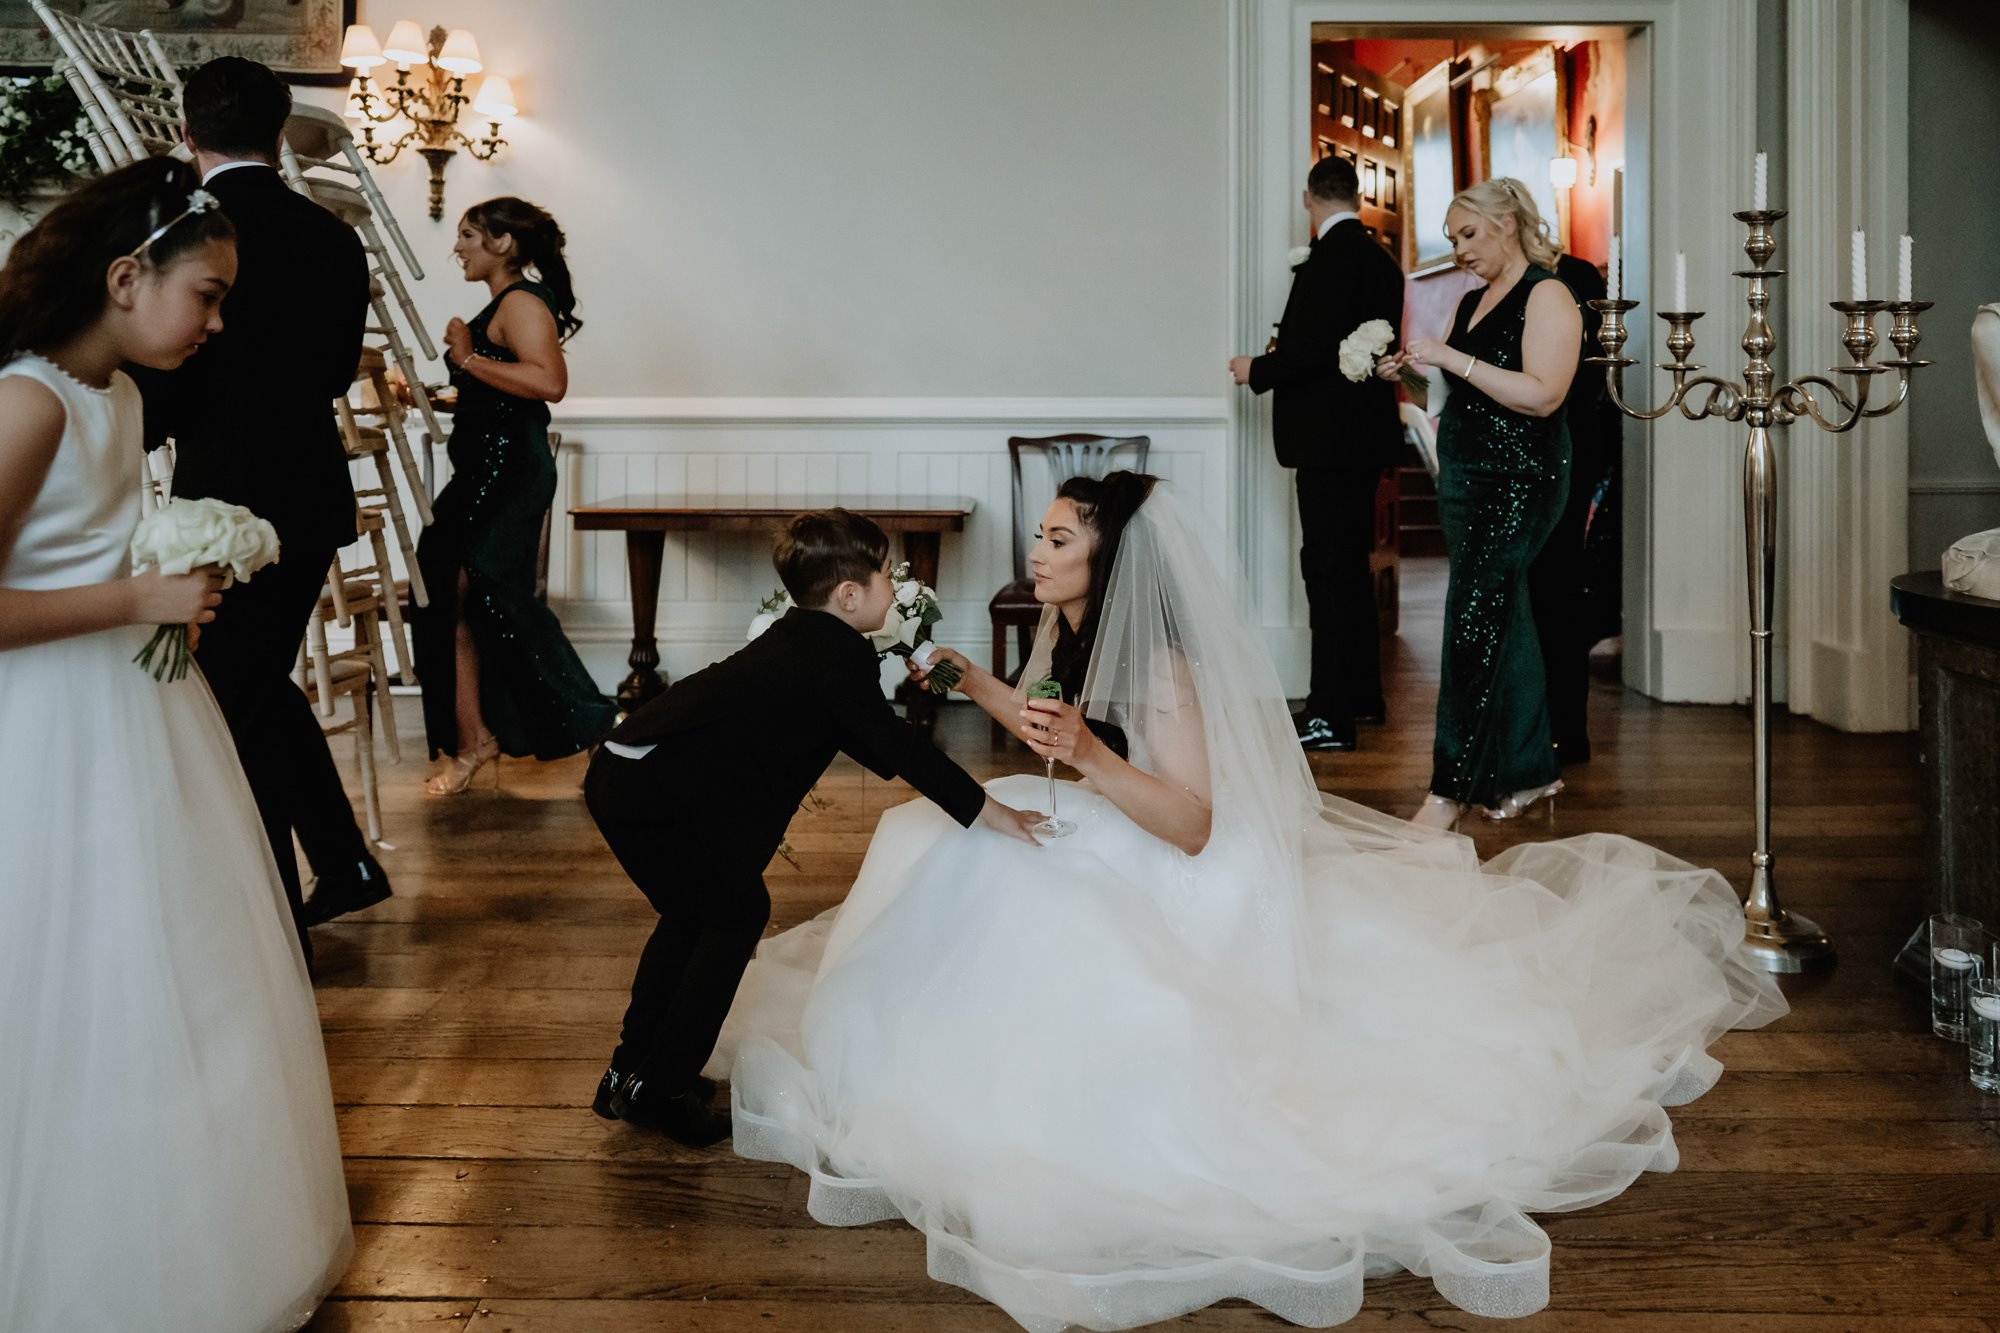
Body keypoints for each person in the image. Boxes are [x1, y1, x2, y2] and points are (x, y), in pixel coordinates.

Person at [710, 471, 1786, 1330]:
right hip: (1115, 819)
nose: (1033, 553)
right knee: (935, 838)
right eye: (1038, 536)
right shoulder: (1075, 630)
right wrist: (974, 684)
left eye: (1055, 540)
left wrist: (1082, 750)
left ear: (1108, 561)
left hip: (1188, 870)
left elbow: (1188, 823)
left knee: (996, 872)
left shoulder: (1165, 665)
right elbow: (1052, 729)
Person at [0, 159, 351, 1331]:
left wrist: (164, 580)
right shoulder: (29, 401)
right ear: (123, 275)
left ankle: (162, 1226)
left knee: (165, 969)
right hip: (48, 730)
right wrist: (131, 604)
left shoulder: (121, 399)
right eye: (205, 294)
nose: (216, 321)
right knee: (67, 969)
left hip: (137, 719)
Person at [583, 509, 1042, 1144]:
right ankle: (659, 1087)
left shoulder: (803, 636)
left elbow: (860, 736)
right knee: (733, 912)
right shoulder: (837, 661)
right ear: (850, 596)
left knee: (699, 914)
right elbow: (900, 751)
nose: (891, 585)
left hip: (626, 772)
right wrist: (988, 811)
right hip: (653, 791)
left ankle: (631, 1073)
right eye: (885, 575)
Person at [130, 56, 388, 942]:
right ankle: (334, 861)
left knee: (230, 689)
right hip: (310, 490)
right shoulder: (334, 236)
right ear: (280, 135)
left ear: (188, 134)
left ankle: (279, 902)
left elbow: (166, 378)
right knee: (247, 682)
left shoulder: (183, 234)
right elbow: (327, 373)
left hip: (218, 494)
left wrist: (133, 424)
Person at [1381, 178, 1582, 827]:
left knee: (1470, 617)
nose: (1459, 250)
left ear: (1507, 224)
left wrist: (1450, 359)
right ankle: (1529, 773)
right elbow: (1449, 394)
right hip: (1464, 475)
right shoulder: (1470, 303)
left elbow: (1543, 393)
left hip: (1521, 476)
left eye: (1467, 234)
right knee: (1504, 609)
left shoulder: (1548, 294)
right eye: (1452, 238)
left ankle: (1449, 787)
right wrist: (1409, 373)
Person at [414, 197, 617, 793]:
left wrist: (468, 358)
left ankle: (601, 725)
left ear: (503, 244)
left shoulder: (521, 302)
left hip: (507, 475)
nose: (459, 247)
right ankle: (476, 740)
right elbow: (500, 396)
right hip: (482, 471)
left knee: (499, 601)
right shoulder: (501, 306)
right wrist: (444, 390)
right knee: (450, 596)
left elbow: (548, 383)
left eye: (469, 235)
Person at [1231, 153, 1405, 753]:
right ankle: (1362, 695)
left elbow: (1309, 351)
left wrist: (1257, 368)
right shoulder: (1382, 260)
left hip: (1329, 442)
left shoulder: (1329, 260)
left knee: (1326, 572)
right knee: (1348, 569)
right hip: (1364, 440)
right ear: (1356, 195)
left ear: (1310, 198)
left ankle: (1331, 713)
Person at [1526, 251, 1622, 765]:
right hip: (1542, 451)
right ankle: (1540, 727)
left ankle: (1564, 730)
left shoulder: (1569, 279)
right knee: (1542, 592)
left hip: (1565, 449)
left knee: (1556, 590)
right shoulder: (1510, 285)